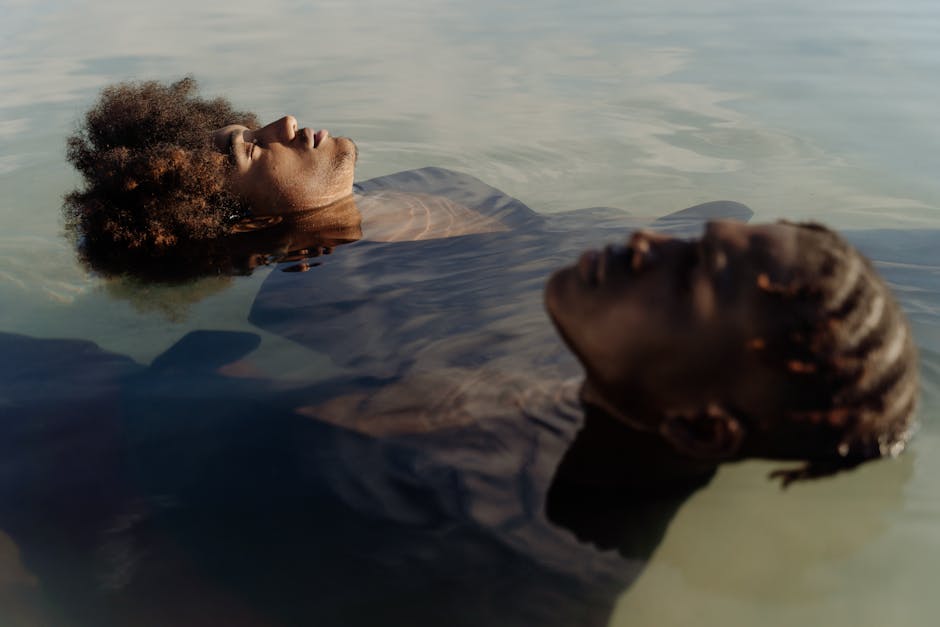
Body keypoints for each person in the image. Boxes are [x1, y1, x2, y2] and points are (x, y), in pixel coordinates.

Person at [64, 77, 510, 277]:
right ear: (252, 223)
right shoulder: (326, 300)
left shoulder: (437, 181)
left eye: (253, 130)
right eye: (252, 149)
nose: (287, 124)